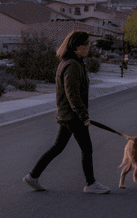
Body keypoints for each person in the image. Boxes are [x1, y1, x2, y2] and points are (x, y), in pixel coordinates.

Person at [24, 30, 110, 194]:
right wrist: (83, 116)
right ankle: (90, 183)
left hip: (67, 114)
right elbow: (72, 94)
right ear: (78, 46)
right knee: (87, 148)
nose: (89, 47)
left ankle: (32, 176)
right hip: (72, 115)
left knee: (57, 147)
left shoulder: (73, 62)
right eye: (87, 44)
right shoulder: (71, 65)